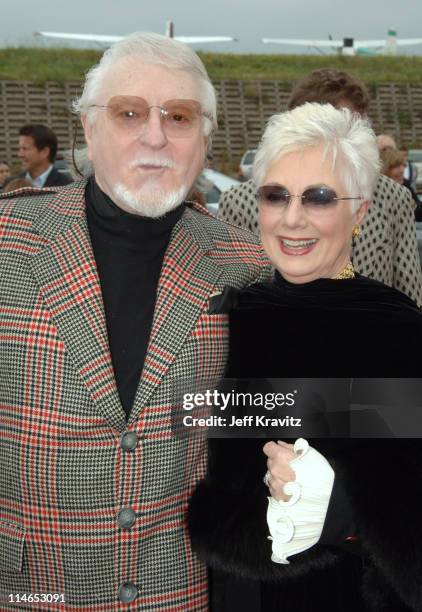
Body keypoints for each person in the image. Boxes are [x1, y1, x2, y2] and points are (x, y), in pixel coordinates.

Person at [0, 32, 269, 610]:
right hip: (31, 588)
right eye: (129, 114)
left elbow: (312, 400)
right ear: (89, 130)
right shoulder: (7, 244)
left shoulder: (250, 264)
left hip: (184, 591)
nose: (155, 136)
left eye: (179, 116)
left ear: (205, 138)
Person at [189, 104, 422, 612]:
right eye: (277, 195)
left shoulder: (395, 331)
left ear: (359, 212)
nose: (292, 218)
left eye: (318, 197)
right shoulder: (226, 314)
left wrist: (341, 510)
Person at [218, 69, 422, 308]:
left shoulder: (393, 196)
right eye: (341, 123)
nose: (355, 137)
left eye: (361, 124)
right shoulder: (239, 202)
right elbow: (228, 300)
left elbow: (410, 293)